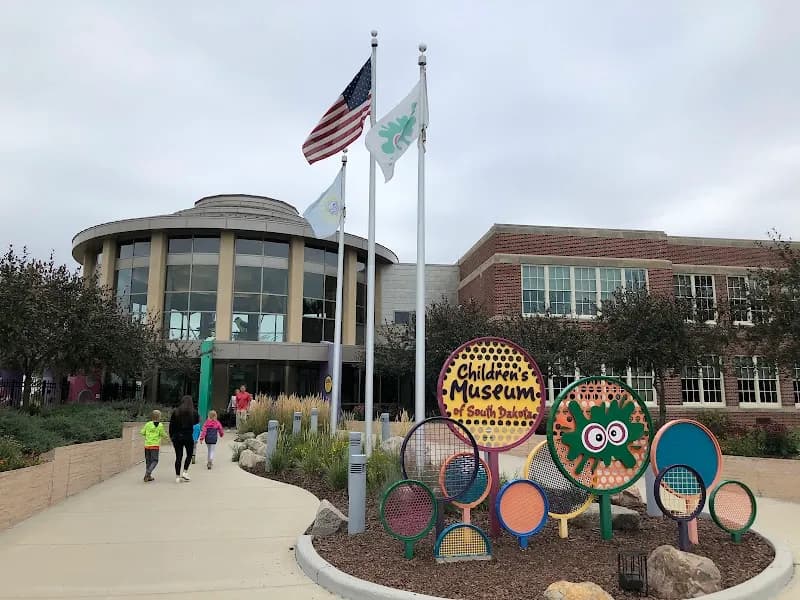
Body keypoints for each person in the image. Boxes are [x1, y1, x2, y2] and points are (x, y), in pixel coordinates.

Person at [169, 395, 200, 483]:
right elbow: (196, 422)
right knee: (189, 454)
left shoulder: (176, 412)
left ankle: (177, 476)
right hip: (188, 436)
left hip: (177, 436)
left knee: (178, 456)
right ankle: (185, 471)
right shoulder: (193, 413)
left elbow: (171, 426)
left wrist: (172, 436)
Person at [139, 410, 169, 482]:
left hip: (147, 445)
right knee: (155, 460)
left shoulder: (148, 424)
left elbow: (142, 432)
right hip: (155, 446)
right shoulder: (160, 425)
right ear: (159, 417)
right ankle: (148, 473)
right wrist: (167, 438)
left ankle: (148, 476)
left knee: (148, 461)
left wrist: (147, 435)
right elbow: (163, 434)